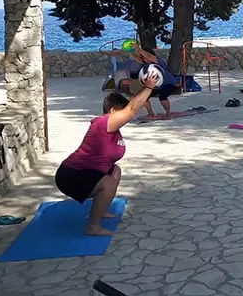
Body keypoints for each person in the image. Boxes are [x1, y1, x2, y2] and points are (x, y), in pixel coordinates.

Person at [54, 70, 159, 236]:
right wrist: (148, 88)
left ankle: (100, 210)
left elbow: (131, 104)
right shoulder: (103, 124)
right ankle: (92, 227)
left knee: (115, 170)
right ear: (111, 111)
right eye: (121, 112)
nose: (126, 117)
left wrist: (140, 88)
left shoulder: (113, 128)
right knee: (108, 183)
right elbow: (132, 108)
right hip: (71, 176)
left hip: (88, 172)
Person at [136, 46, 178, 120]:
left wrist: (138, 49)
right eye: (144, 58)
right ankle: (151, 113)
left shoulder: (158, 60)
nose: (145, 59)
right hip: (158, 85)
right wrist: (129, 50)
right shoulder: (146, 64)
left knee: (162, 96)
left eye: (146, 57)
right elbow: (137, 58)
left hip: (169, 83)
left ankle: (168, 113)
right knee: (143, 97)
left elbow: (148, 55)